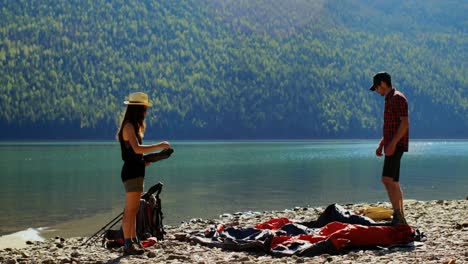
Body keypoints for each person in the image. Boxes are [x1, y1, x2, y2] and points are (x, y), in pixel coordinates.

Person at [116, 92, 171, 255]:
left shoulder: (131, 125)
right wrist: (159, 145)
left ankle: (133, 241)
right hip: (131, 173)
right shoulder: (128, 126)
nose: (146, 112)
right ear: (139, 109)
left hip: (136, 171)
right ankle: (128, 243)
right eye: (144, 108)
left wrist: (145, 161)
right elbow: (137, 149)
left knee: (133, 209)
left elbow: (134, 154)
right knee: (130, 209)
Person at [369, 72, 409, 225]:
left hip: (396, 145)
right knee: (394, 181)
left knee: (387, 180)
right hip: (392, 144)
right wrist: (381, 145)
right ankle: (400, 215)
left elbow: (404, 124)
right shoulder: (389, 99)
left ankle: (398, 215)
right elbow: (390, 128)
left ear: (383, 84)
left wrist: (392, 144)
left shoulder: (397, 98)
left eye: (377, 87)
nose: (377, 91)